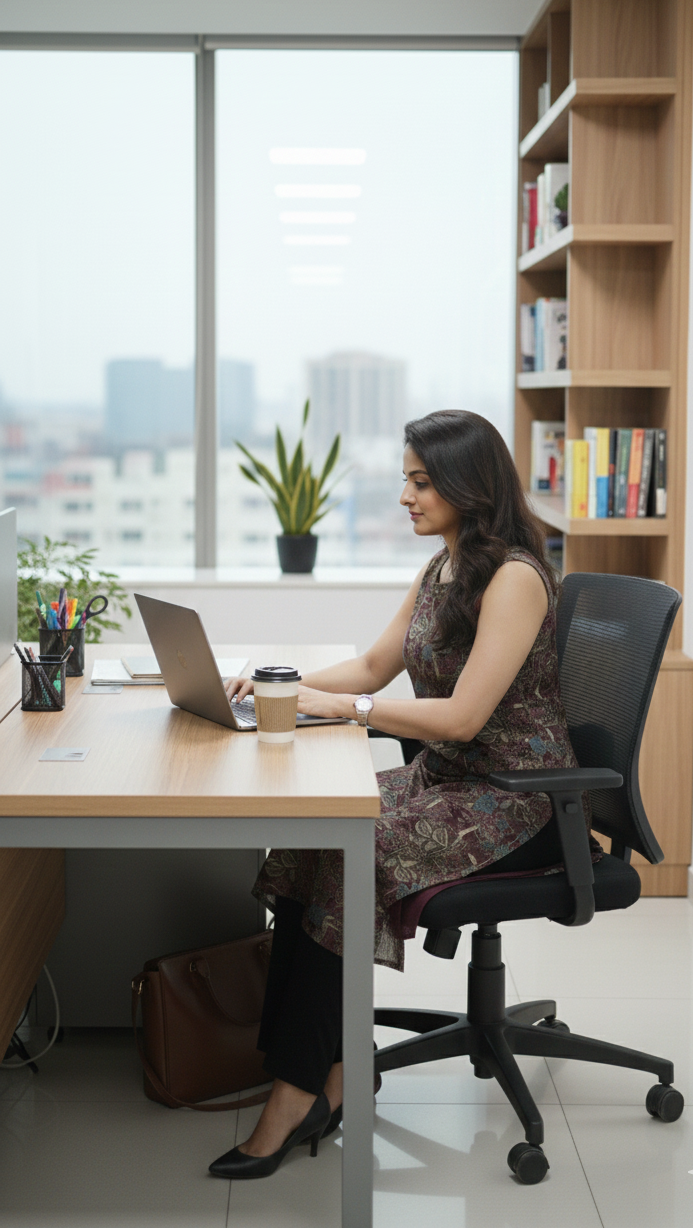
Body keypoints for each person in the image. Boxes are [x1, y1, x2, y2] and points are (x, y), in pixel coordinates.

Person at [209, 408, 588, 1181]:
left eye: (420, 482)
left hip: (518, 799)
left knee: (354, 850)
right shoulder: (445, 565)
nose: (406, 497)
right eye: (406, 480)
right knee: (315, 831)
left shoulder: (515, 578)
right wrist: (279, 684)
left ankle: (297, 1094)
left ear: (463, 483)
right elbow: (377, 665)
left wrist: (344, 709)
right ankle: (325, 1065)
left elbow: (463, 716)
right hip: (450, 779)